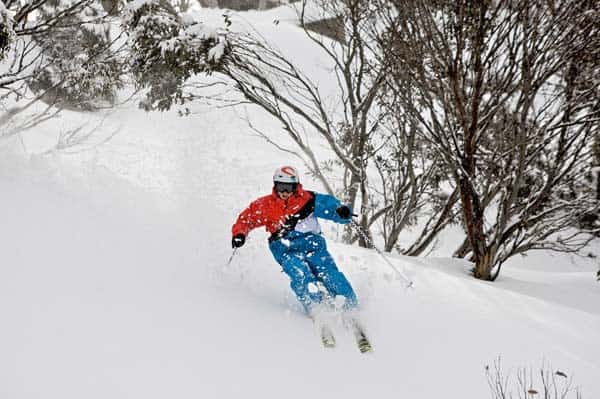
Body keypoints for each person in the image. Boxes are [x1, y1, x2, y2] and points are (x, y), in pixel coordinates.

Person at [231, 166, 358, 316]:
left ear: (296, 186)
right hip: (285, 249)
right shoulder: (266, 205)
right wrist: (239, 233)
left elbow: (329, 207)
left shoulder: (309, 200)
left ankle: (350, 306)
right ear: (275, 185)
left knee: (328, 273)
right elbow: (248, 218)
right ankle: (316, 306)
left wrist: (341, 211)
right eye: (280, 187)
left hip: (313, 245)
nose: (284, 192)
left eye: (288, 187)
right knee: (300, 274)